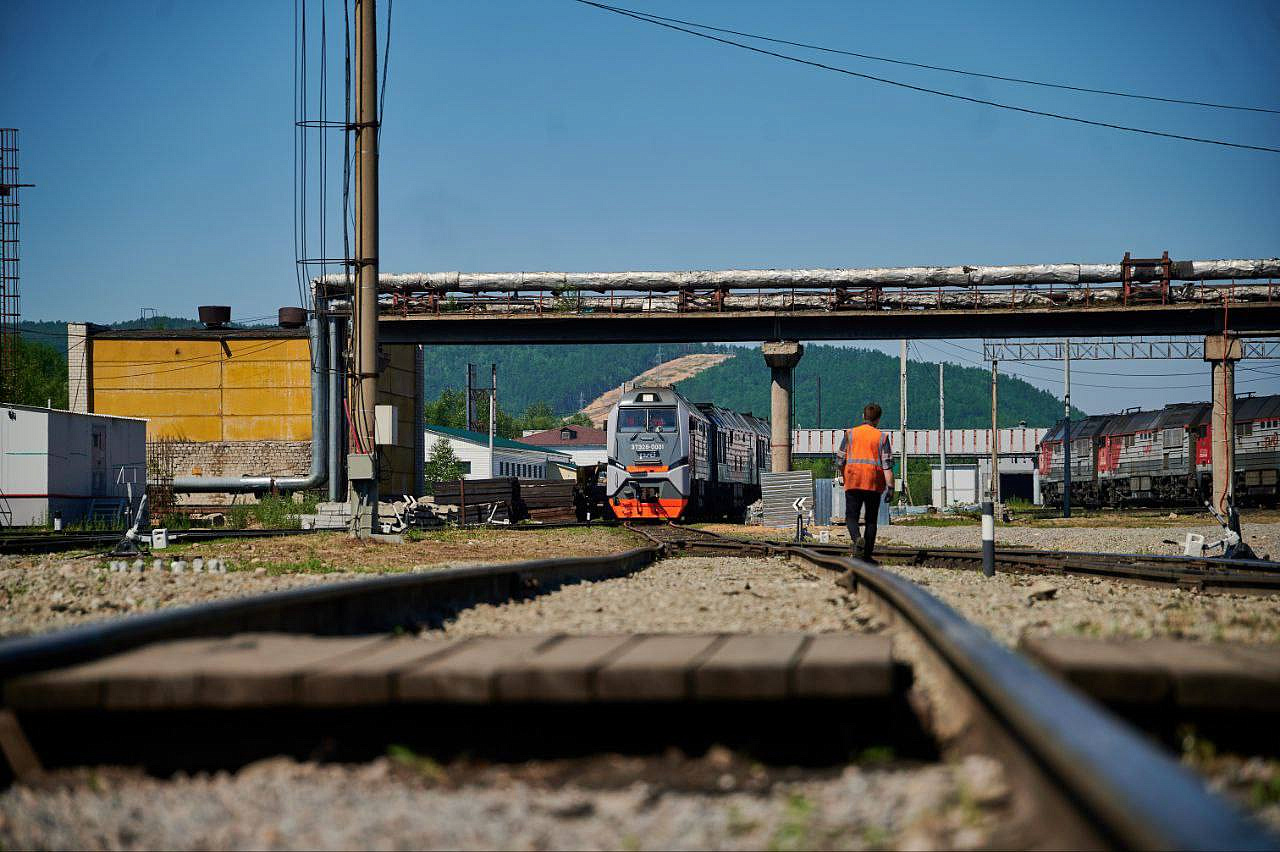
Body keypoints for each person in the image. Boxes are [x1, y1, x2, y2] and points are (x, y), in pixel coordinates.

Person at [835, 403, 895, 563]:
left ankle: (857, 540)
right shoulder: (882, 437)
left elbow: (840, 460)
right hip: (874, 483)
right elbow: (887, 466)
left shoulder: (850, 434)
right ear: (878, 420)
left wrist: (844, 475)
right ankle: (867, 556)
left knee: (851, 517)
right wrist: (891, 487)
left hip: (853, 480)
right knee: (871, 520)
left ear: (863, 416)